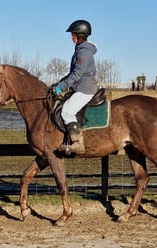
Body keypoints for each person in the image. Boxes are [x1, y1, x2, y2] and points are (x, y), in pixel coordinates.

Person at [51, 20, 98, 154]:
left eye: (73, 34)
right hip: (80, 87)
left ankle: (77, 143)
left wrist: (60, 88)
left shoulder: (84, 53)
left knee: (67, 111)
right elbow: (71, 74)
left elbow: (76, 75)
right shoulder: (81, 50)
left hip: (84, 89)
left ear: (79, 35)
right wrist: (58, 84)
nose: (71, 37)